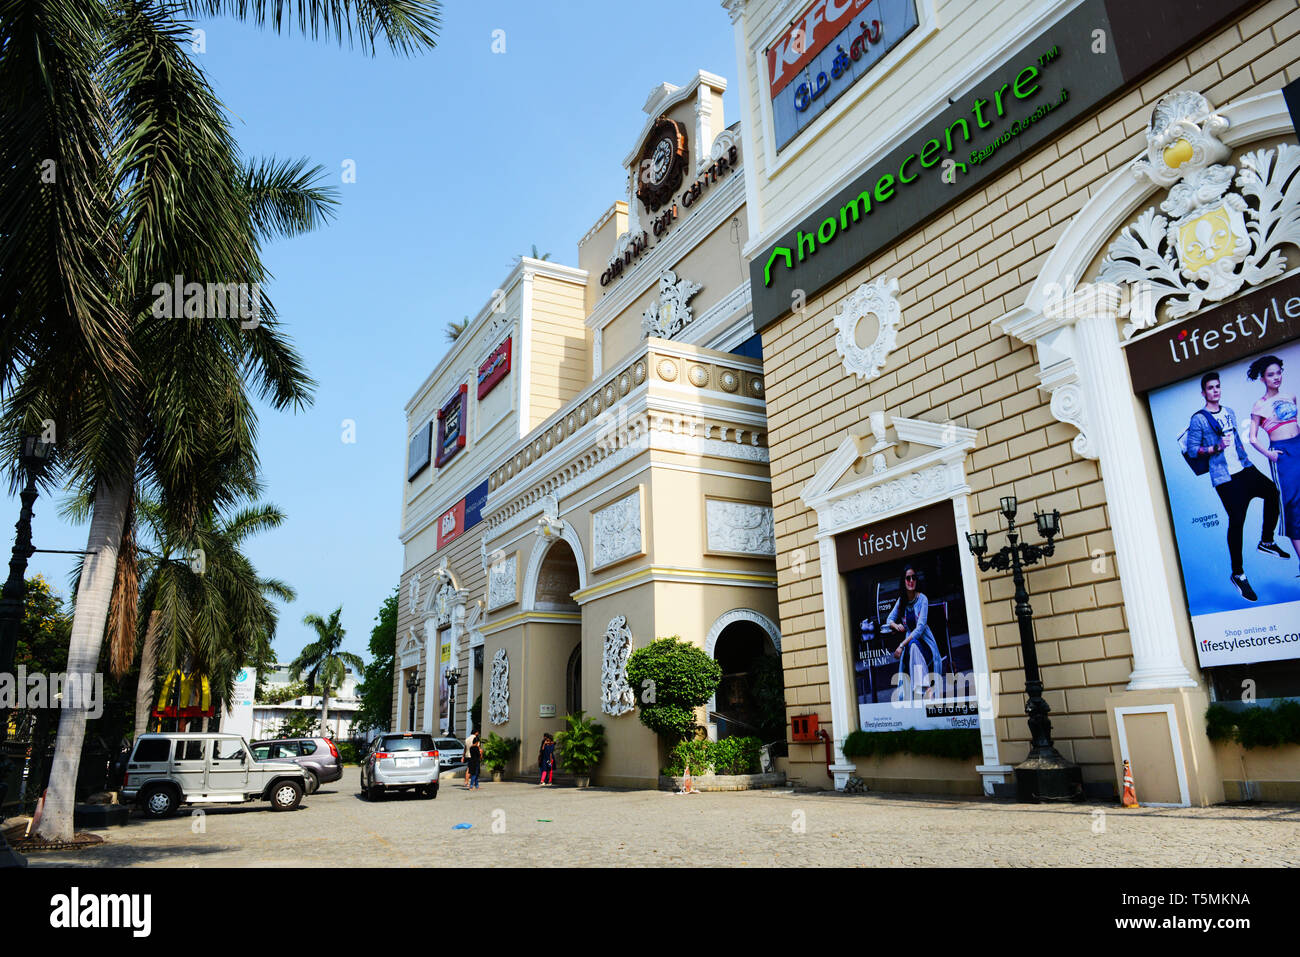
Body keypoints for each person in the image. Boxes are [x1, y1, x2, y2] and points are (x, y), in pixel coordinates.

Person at [1188, 370, 1287, 601]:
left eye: (1217, 387)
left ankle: (1267, 540)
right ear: (1204, 392)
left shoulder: (1229, 411)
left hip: (1244, 469)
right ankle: (1238, 574)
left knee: (1273, 492)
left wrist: (1247, 460)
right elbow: (1193, 450)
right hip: (1225, 477)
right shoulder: (1199, 419)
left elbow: (1239, 442)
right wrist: (1215, 448)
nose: (1215, 390)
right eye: (1211, 387)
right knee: (1237, 522)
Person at [1248, 355, 1300, 576]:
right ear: (1263, 378)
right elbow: (1252, 438)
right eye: (1271, 374)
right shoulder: (1259, 405)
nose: (1276, 377)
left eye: (1279, 372)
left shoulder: (1291, 396)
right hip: (1283, 454)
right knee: (1293, 504)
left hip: (1298, 446)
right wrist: (1269, 454)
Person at [885, 565, 944, 698]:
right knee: (913, 647)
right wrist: (896, 625)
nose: (911, 580)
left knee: (913, 646)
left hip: (926, 645)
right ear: (903, 581)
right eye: (908, 578)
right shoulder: (902, 601)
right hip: (911, 646)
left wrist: (901, 645)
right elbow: (889, 619)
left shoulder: (922, 599)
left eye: (914, 577)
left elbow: (919, 629)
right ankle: (926, 689)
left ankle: (921, 690)